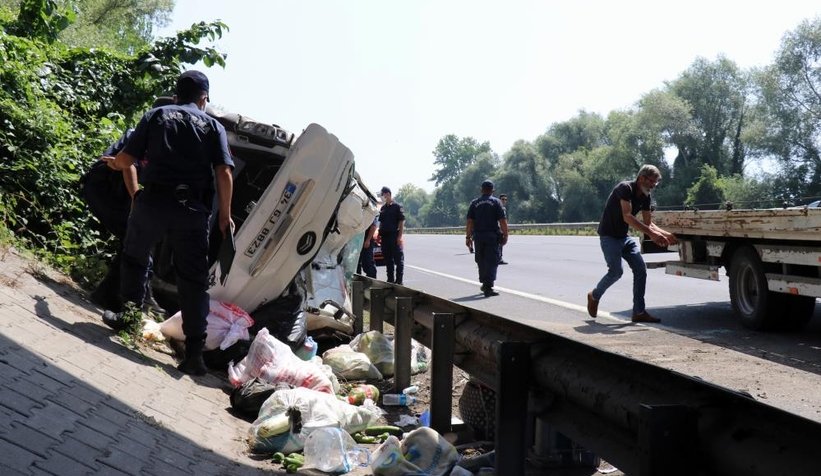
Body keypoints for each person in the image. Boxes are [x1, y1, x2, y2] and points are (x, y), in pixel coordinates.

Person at [102, 70, 234, 375]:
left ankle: (129, 318)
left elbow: (127, 159)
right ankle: (194, 355)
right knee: (193, 281)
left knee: (135, 257)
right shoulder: (213, 126)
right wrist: (225, 217)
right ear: (203, 99)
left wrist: (116, 164)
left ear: (176, 95)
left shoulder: (157, 115)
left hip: (153, 202)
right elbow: (224, 173)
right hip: (192, 211)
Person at [80, 98, 174, 316]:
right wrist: (136, 199)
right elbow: (128, 164)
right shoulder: (142, 134)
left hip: (117, 191)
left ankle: (106, 295)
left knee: (132, 238)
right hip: (104, 188)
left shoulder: (161, 142)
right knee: (138, 237)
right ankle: (140, 297)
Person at [587, 164, 677, 323]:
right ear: (641, 178)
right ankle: (594, 295)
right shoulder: (625, 188)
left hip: (624, 237)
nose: (653, 185)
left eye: (656, 183)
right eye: (651, 181)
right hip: (609, 236)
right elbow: (627, 216)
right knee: (616, 272)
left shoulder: (646, 196)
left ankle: (639, 312)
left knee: (640, 269)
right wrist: (652, 235)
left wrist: (666, 234)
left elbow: (648, 223)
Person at [465, 180, 508, 297]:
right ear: (492, 190)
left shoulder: (474, 203)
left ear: (481, 190)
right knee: (492, 260)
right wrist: (505, 235)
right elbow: (502, 221)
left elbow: (469, 222)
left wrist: (468, 237)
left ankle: (485, 283)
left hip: (478, 237)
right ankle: (488, 286)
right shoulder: (496, 202)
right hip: (492, 237)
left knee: (481, 260)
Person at [378, 186, 405, 285]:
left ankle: (399, 281)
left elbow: (401, 222)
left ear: (388, 194)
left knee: (398, 260)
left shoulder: (397, 207)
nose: (382, 197)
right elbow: (381, 222)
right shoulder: (383, 208)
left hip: (394, 236)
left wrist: (399, 237)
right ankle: (390, 280)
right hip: (385, 237)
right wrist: (379, 235)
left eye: (383, 195)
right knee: (388, 260)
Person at [497, 193, 509, 265]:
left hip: (501, 228)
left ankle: (499, 258)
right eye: (502, 199)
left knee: (500, 244)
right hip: (497, 228)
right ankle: (498, 258)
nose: (504, 201)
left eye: (505, 199)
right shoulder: (497, 207)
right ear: (499, 200)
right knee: (499, 244)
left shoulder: (504, 208)